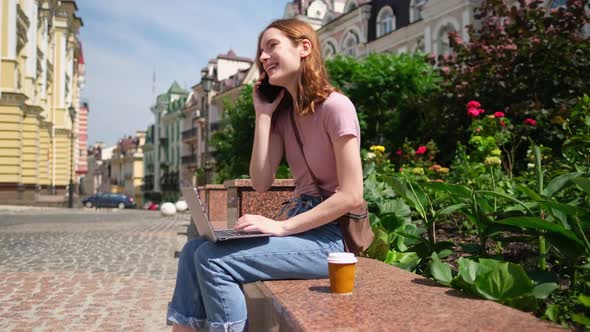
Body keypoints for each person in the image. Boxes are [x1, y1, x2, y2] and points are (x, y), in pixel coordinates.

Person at [167, 18, 364, 332]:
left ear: (304, 48)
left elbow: (352, 195)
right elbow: (260, 182)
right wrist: (263, 114)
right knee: (194, 250)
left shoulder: (337, 107)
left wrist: (282, 226)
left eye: (272, 46)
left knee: (213, 260)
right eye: (261, 50)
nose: (262, 56)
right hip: (302, 228)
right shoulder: (284, 117)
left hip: (331, 239)